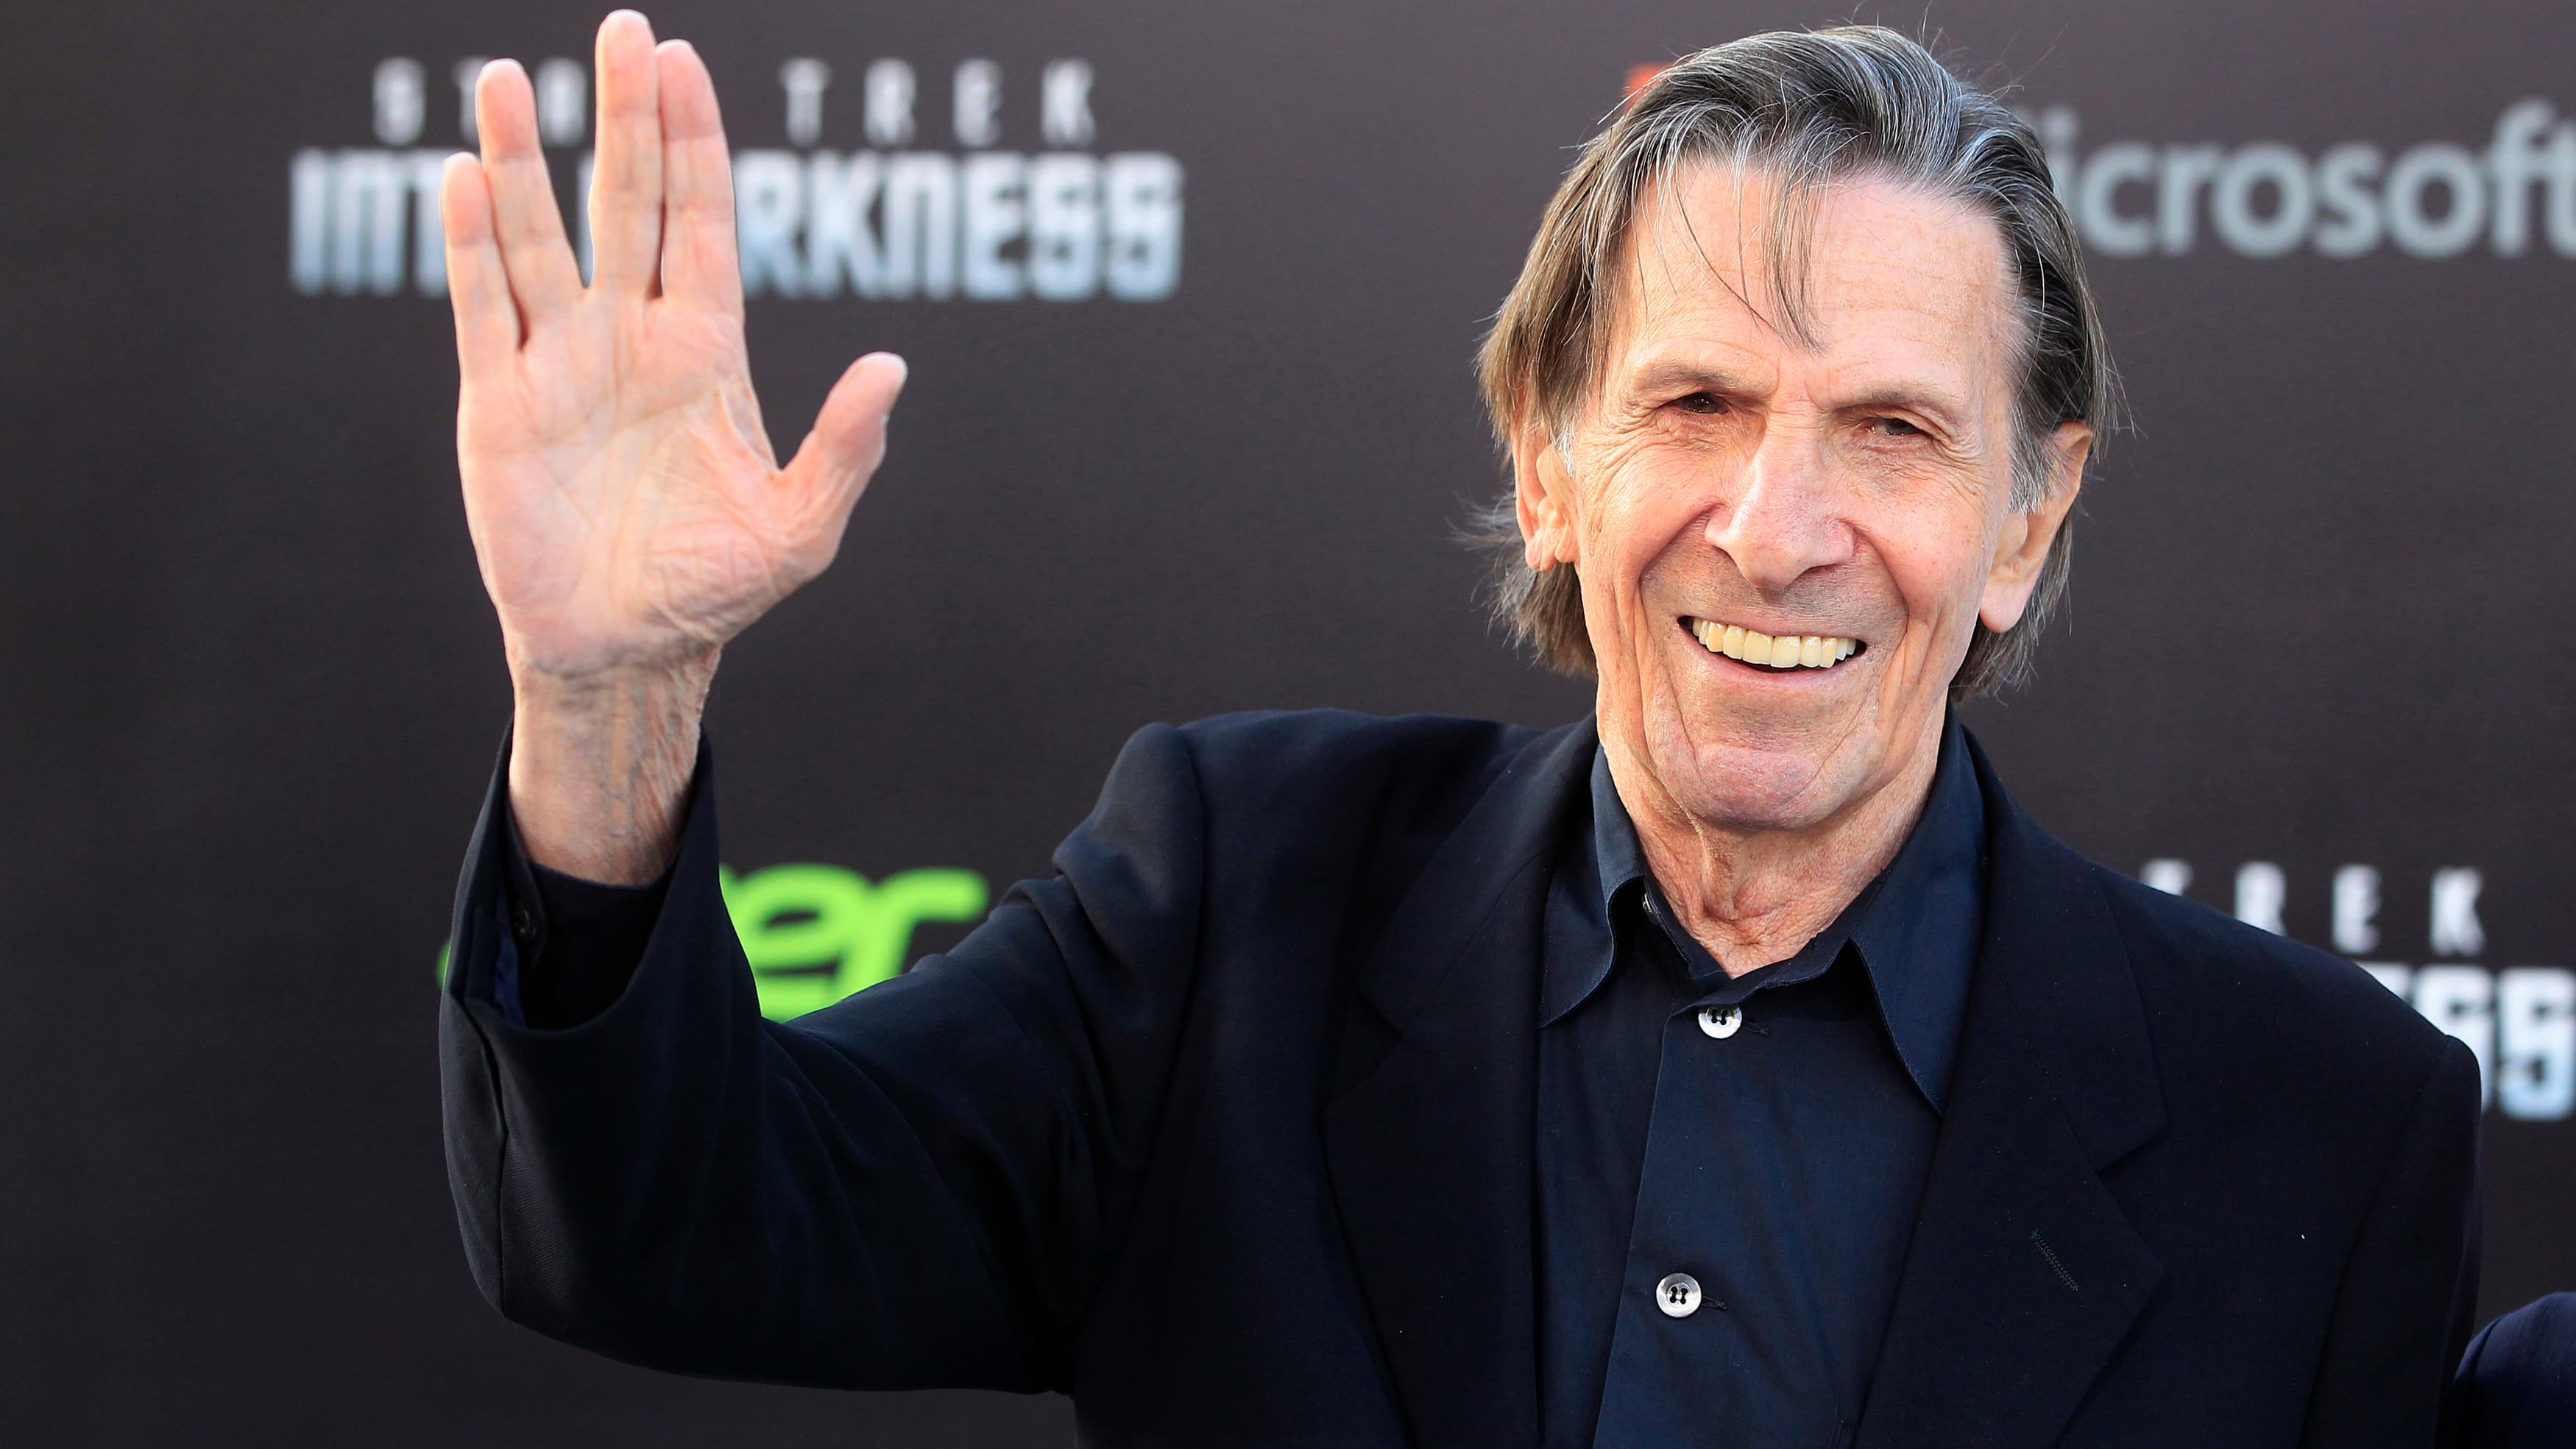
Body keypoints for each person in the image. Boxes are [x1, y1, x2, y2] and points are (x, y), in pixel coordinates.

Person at [435, 13, 2480, 1446]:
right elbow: (664, 1232)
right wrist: (606, 692)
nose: (1776, 533)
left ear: (2024, 516)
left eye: (1890, 431)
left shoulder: (2310, 1121)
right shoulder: (1232, 909)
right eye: (1691, 408)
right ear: (1545, 462)